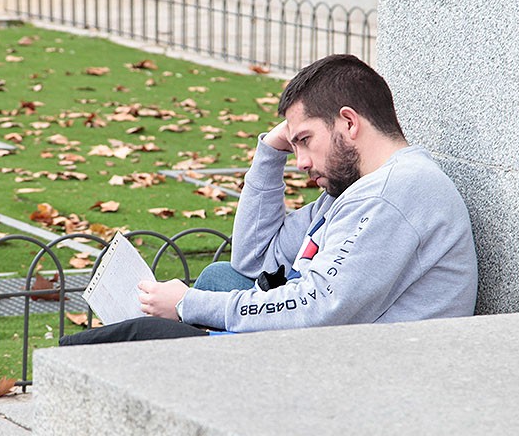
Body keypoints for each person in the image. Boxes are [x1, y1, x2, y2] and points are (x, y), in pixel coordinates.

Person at [60, 54, 478, 345]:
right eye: (293, 145)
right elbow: (254, 260)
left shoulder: (394, 195)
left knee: (127, 340)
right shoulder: (351, 190)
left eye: (305, 140)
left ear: (348, 122)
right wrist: (269, 154)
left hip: (358, 366)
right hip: (325, 343)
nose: (302, 162)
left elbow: (320, 310)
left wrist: (188, 304)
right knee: (221, 277)